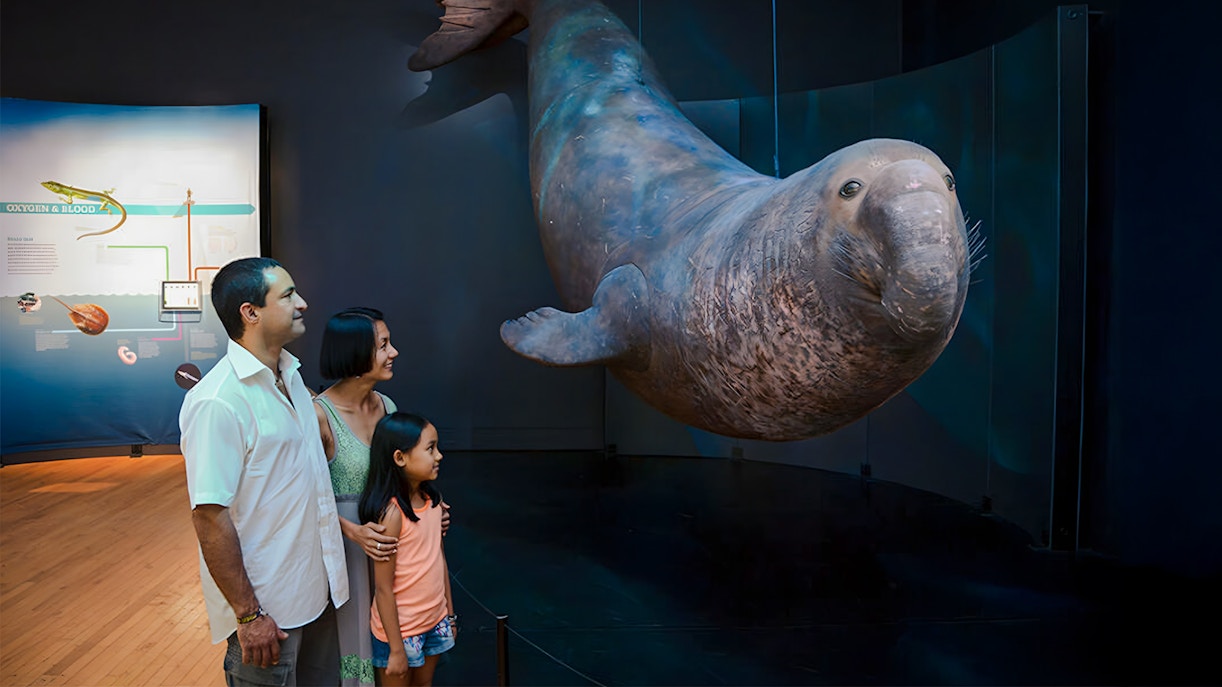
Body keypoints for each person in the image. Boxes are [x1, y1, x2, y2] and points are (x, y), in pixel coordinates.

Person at [180, 256, 348, 686]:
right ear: (250, 313)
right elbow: (209, 515)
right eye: (289, 295)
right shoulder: (217, 402)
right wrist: (249, 614)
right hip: (268, 616)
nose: (303, 304)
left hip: (318, 594)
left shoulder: (290, 377)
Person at [312, 307, 401, 686]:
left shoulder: (388, 407)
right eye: (383, 345)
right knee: (350, 640)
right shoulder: (319, 416)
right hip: (342, 549)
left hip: (387, 546)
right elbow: (302, 498)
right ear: (356, 355)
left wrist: (428, 506)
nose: (393, 352)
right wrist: (351, 530)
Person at [360, 412, 455, 687]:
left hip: (435, 621)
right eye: (430, 448)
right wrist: (396, 648)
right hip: (400, 633)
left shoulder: (434, 503)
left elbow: (439, 562)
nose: (439, 456)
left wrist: (449, 615)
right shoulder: (391, 515)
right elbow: (383, 588)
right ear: (400, 458)